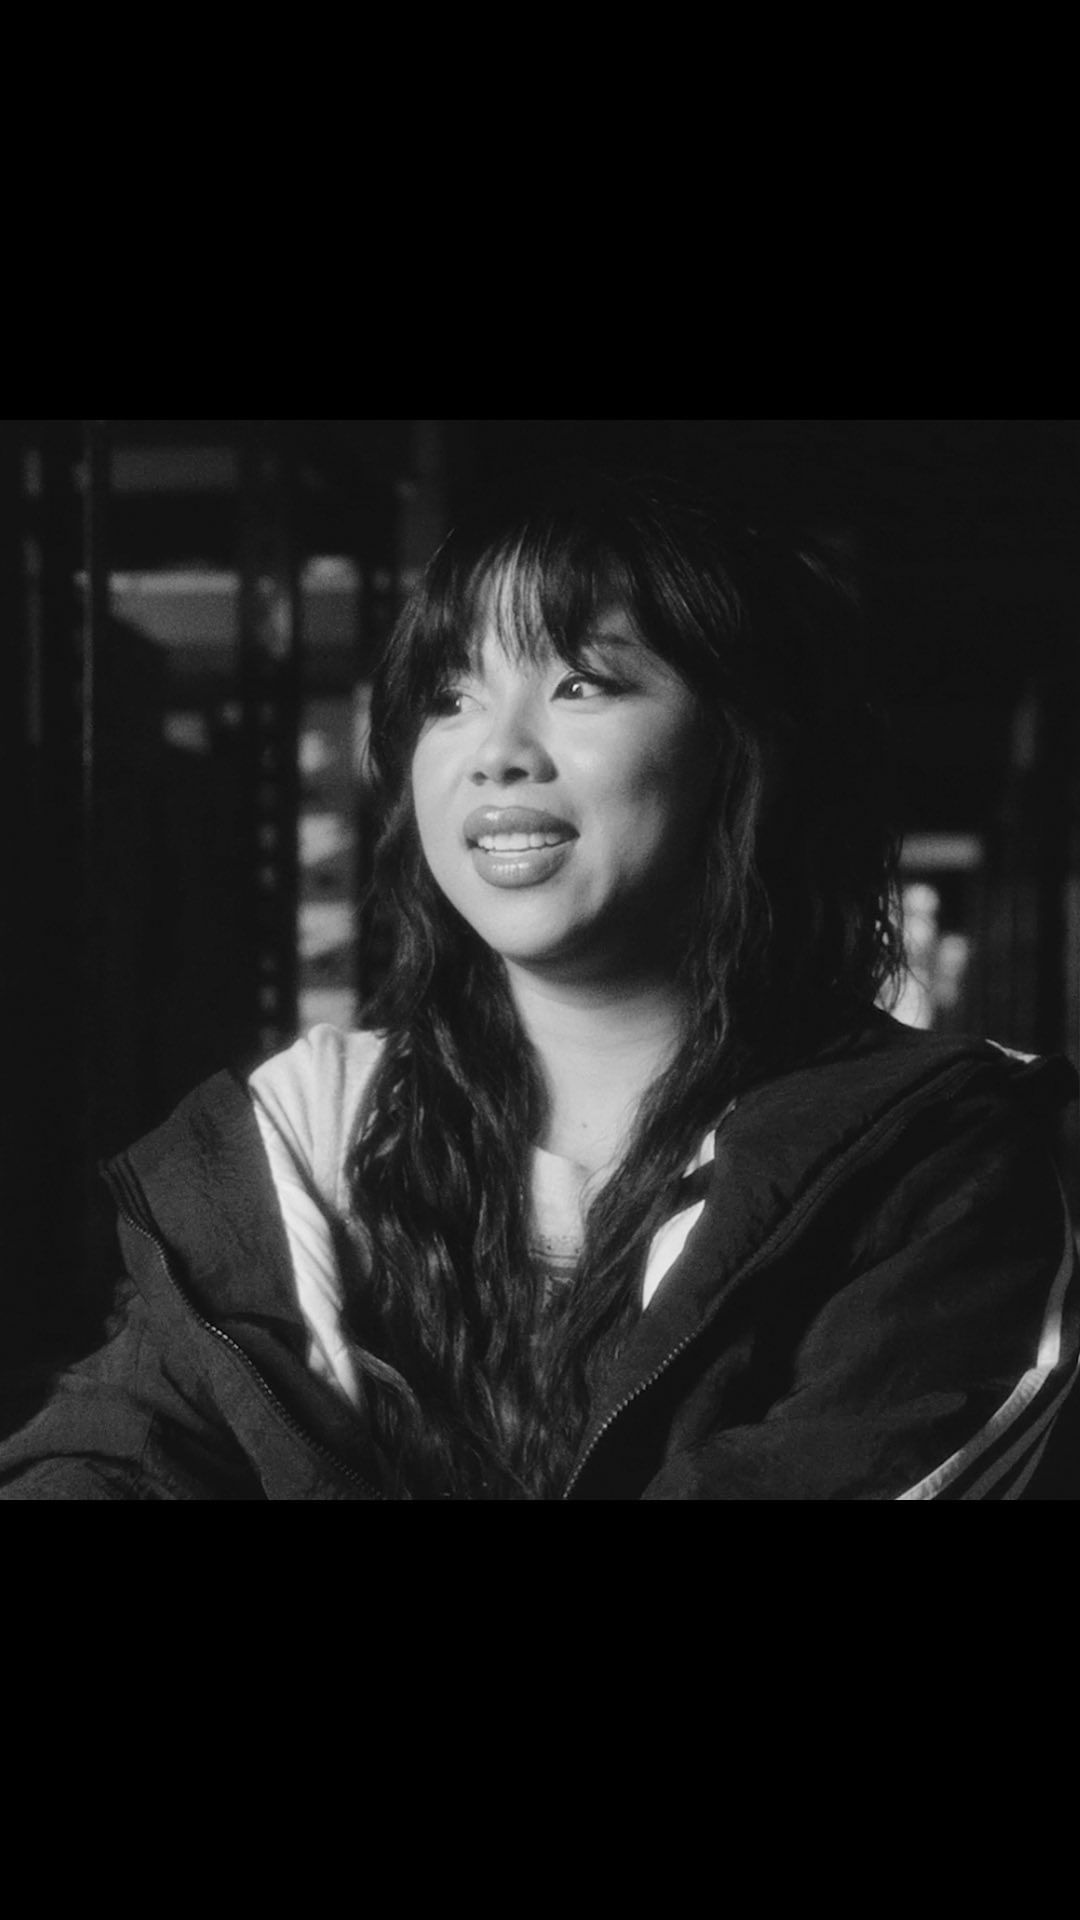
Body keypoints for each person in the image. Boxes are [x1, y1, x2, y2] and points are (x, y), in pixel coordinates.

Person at [1, 464, 1077, 1500]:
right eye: (450, 695)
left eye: (579, 684)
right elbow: (111, 1456)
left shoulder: (935, 1167)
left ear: (747, 749)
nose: (496, 752)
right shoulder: (305, 1135)